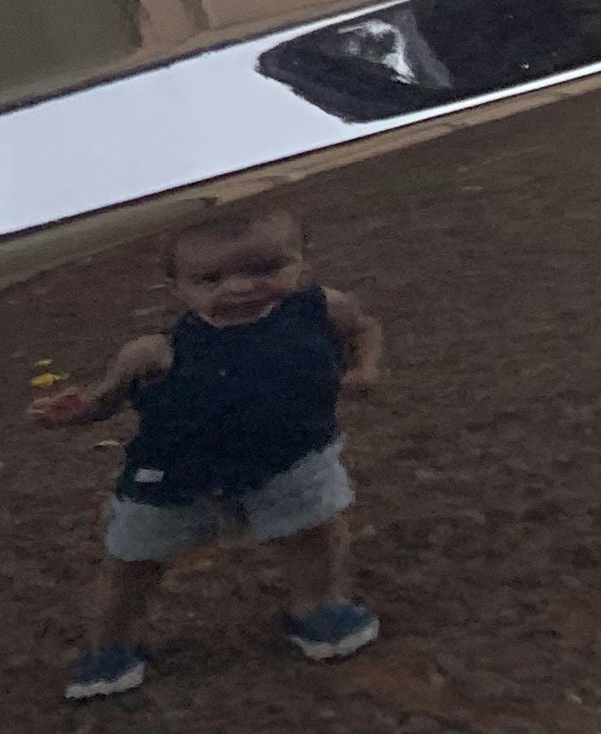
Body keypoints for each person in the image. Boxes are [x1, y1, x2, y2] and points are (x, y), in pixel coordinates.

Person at [30, 199, 384, 699]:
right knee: (134, 563)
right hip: (173, 481)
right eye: (211, 280)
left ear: (300, 260)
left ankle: (317, 608)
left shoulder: (322, 307)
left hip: (291, 458)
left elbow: (364, 329)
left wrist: (364, 368)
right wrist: (77, 410)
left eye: (265, 268)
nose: (240, 287)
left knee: (315, 532)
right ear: (179, 289)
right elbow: (105, 401)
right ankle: (110, 646)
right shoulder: (153, 350)